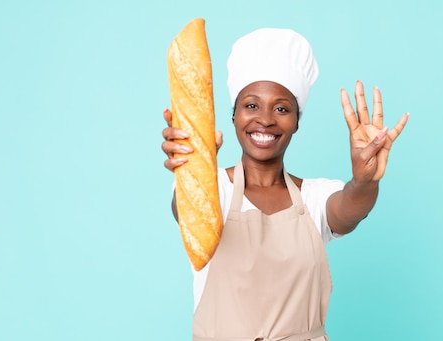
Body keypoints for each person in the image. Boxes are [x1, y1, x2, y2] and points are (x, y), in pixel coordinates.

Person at [162, 27, 408, 341]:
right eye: (251, 105)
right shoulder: (209, 192)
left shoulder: (316, 198)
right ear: (234, 115)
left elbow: (349, 209)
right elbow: (187, 212)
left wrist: (364, 180)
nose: (265, 119)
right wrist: (191, 165)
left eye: (281, 109)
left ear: (296, 122)